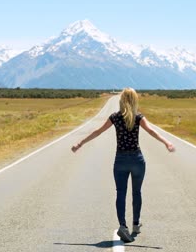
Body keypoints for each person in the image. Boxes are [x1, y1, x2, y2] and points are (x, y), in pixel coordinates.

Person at [71, 87, 175, 243]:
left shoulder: (115, 117)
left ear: (121, 100)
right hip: (137, 159)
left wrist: (80, 143)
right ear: (135, 101)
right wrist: (166, 142)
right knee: (137, 192)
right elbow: (152, 131)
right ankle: (135, 224)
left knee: (120, 192)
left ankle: (123, 226)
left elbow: (98, 131)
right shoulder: (138, 117)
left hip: (120, 160)